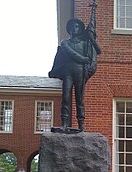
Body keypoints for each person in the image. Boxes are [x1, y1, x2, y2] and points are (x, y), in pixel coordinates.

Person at [49, 2, 101, 131]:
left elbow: (98, 51)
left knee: (80, 97)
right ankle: (65, 123)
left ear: (80, 29)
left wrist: (92, 39)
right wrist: (83, 58)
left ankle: (81, 125)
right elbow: (70, 53)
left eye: (77, 26)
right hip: (68, 70)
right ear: (69, 29)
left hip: (79, 71)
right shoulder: (65, 43)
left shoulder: (85, 43)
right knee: (66, 96)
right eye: (72, 26)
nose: (74, 28)